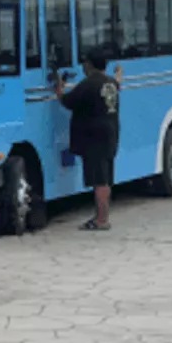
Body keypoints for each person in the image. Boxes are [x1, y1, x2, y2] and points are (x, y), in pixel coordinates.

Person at [56, 49, 121, 232]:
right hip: (111, 133)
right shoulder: (111, 83)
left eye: (85, 62)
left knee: (99, 180)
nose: (83, 65)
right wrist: (118, 74)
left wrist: (59, 88)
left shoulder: (88, 84)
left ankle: (101, 220)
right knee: (105, 178)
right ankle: (102, 216)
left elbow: (67, 102)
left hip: (94, 137)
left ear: (90, 64)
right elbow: (118, 83)